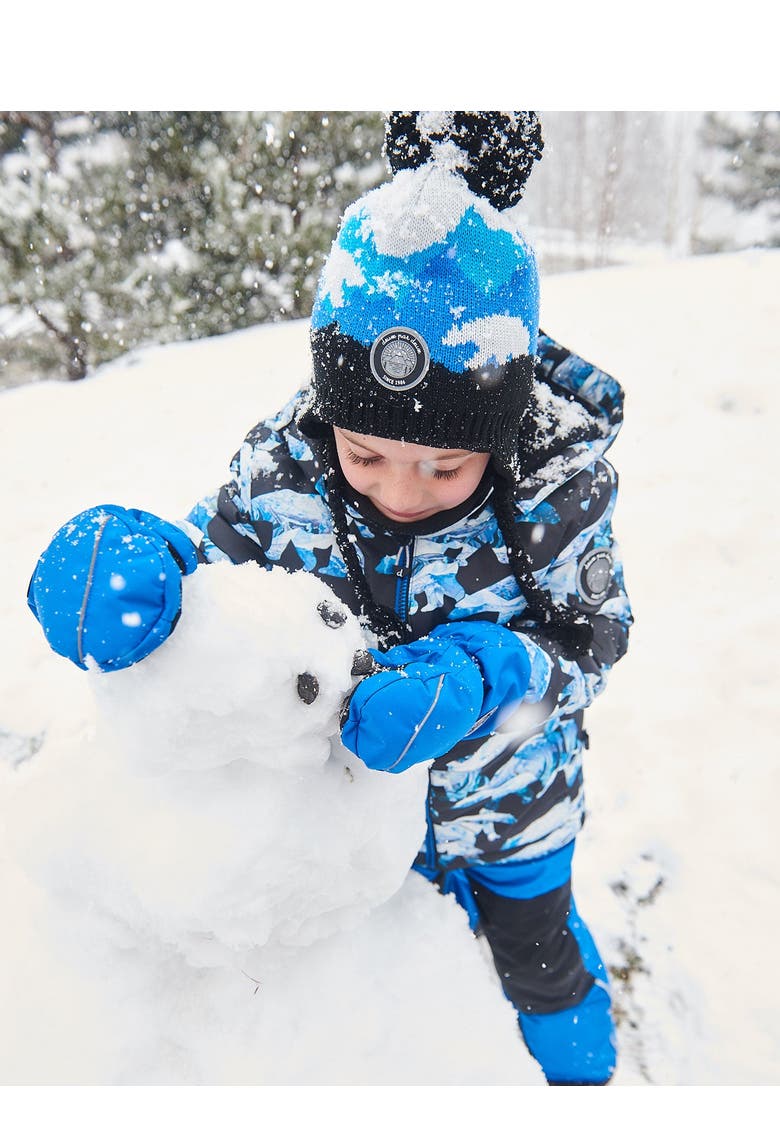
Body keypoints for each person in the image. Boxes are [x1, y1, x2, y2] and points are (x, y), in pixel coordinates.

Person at [27, 112, 633, 1085]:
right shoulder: (281, 464)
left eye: (445, 464)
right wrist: (141, 572)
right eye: (366, 455)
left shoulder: (557, 490)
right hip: (356, 830)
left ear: (502, 421)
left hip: (516, 813)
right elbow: (213, 574)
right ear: (330, 415)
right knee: (404, 1001)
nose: (400, 491)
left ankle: (586, 1091)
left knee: (541, 969)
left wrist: (488, 674)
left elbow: (592, 640)